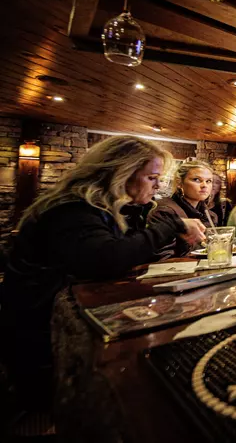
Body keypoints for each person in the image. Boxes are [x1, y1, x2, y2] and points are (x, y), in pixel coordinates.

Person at [0, 136, 206, 404]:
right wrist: (174, 225)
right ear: (122, 174)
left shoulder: (97, 208)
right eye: (152, 178)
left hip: (57, 327)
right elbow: (110, 259)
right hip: (45, 343)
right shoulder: (73, 209)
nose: (158, 186)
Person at [150, 160, 217, 257]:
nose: (204, 185)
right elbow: (163, 258)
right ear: (179, 183)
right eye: (196, 180)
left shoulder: (210, 215)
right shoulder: (165, 210)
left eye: (208, 181)